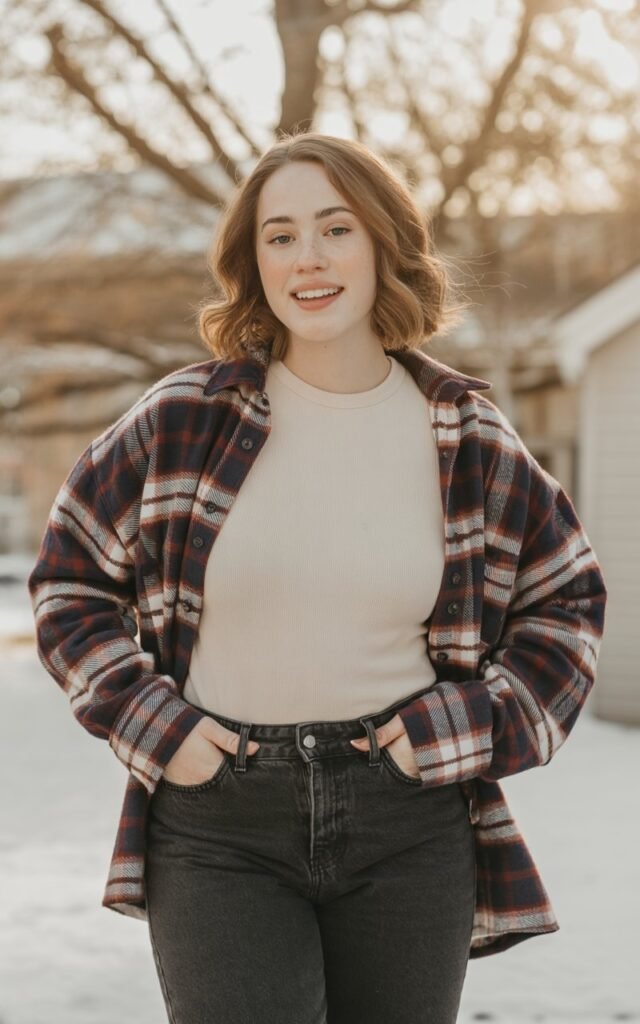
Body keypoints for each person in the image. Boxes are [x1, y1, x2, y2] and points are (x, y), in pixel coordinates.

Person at [28, 131, 607, 1024]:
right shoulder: (188, 418)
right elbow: (69, 582)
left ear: (382, 243)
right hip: (219, 820)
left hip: (407, 818)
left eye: (335, 229)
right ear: (253, 262)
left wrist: (462, 729)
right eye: (280, 235)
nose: (309, 259)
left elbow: (566, 605)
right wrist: (155, 726)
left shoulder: (465, 435)